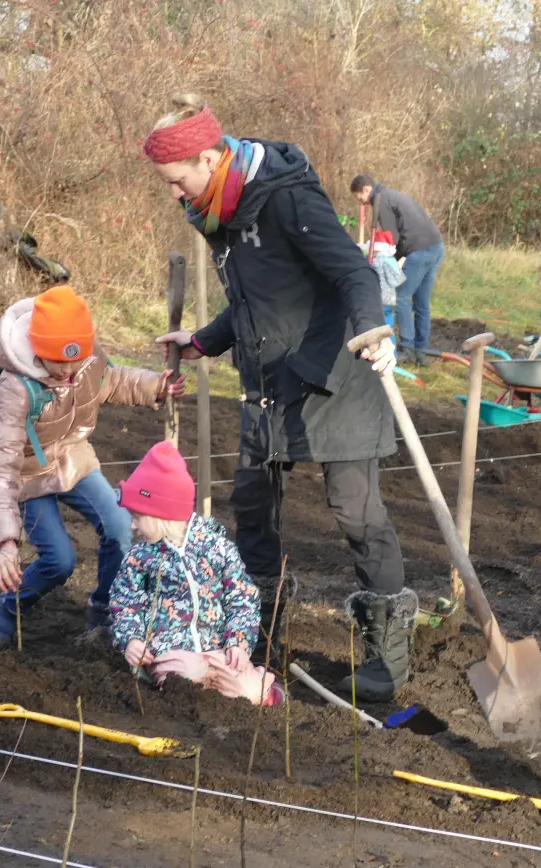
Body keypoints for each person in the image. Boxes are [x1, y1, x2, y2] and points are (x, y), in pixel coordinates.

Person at [146, 94, 414, 703]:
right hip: (266, 381)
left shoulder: (286, 197)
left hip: (333, 374)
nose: (173, 193)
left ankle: (386, 665)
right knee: (252, 506)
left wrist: (373, 326)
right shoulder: (221, 213)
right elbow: (254, 302)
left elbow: (352, 272)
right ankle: (252, 642)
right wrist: (204, 340)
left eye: (177, 179)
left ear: (210, 158)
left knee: (356, 512)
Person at [0, 286, 181, 647]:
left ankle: (104, 613)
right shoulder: (17, 385)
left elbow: (112, 381)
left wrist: (156, 387)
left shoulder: (87, 358)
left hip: (75, 460)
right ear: (39, 350)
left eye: (77, 360)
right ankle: (6, 611)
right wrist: (7, 542)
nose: (70, 370)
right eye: (60, 362)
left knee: (120, 526)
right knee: (59, 561)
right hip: (30, 477)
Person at [107, 441, 282, 706]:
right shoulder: (140, 557)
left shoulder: (217, 548)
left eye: (138, 517)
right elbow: (125, 600)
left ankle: (260, 688)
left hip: (217, 647)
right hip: (170, 652)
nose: (132, 525)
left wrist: (237, 641)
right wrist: (131, 639)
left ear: (161, 516)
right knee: (187, 679)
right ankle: (198, 694)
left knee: (245, 689)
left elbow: (241, 598)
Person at [350, 175, 444, 365]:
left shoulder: (381, 200)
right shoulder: (395, 195)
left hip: (420, 250)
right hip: (436, 247)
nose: (362, 202)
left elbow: (390, 238)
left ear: (366, 189)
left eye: (359, 198)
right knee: (421, 302)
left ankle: (407, 348)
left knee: (401, 297)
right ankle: (421, 352)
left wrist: (381, 259)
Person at [361, 229, 406, 330]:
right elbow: (398, 279)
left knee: (375, 326)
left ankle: (378, 344)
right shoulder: (391, 261)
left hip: (376, 299)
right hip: (389, 300)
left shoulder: (372, 260)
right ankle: (391, 345)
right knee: (389, 327)